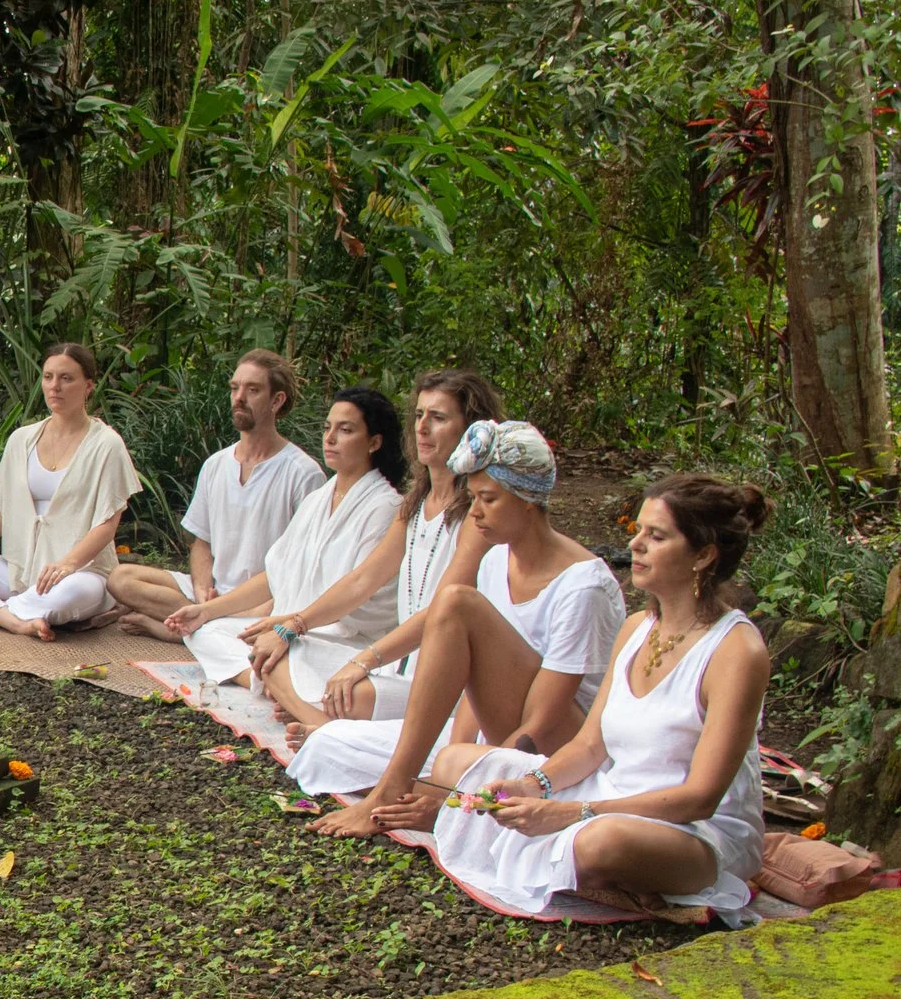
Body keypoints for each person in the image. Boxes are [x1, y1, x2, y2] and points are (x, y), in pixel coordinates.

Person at [427, 477, 771, 916]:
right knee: (456, 763)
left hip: (697, 831)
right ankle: (600, 877)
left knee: (601, 842)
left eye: (656, 536)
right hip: (615, 792)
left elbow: (699, 798)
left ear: (703, 555)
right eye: (639, 530)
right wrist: (532, 785)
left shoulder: (737, 652)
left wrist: (572, 812)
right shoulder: (636, 628)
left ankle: (599, 870)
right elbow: (591, 745)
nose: (637, 544)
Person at [294, 420, 628, 838]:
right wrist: (456, 754)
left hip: (552, 751)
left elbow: (540, 723)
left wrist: (452, 790)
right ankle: (420, 787)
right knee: (329, 745)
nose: (475, 513)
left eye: (488, 499)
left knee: (453, 602)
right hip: (496, 732)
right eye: (473, 498)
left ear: (527, 501)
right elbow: (477, 683)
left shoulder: (584, 585)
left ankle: (397, 791)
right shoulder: (494, 563)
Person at [239, 369, 497, 731]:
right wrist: (294, 624)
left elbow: (442, 609)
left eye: (437, 418)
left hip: (444, 675)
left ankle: (324, 729)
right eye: (419, 415)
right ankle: (325, 719)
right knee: (275, 655)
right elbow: (362, 580)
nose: (422, 428)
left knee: (346, 693)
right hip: (398, 665)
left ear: (469, 428)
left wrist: (364, 662)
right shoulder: (415, 504)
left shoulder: (476, 512)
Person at [170, 387, 406, 688]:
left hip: (338, 638)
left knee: (292, 653)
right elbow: (275, 575)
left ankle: (271, 681)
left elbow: (357, 592)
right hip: (290, 626)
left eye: (345, 430)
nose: (330, 438)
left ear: (374, 442)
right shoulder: (318, 499)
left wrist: (291, 624)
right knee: (207, 631)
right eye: (327, 427)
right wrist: (205, 610)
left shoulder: (386, 507)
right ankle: (270, 682)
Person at [0, 342, 142, 637]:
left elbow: (107, 525)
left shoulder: (106, 444)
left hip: (81, 574)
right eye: (48, 377)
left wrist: (67, 564)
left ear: (88, 386)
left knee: (65, 597)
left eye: (66, 378)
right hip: (19, 571)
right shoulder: (21, 440)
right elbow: (0, 513)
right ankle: (14, 620)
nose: (54, 386)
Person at [107, 349, 324, 639]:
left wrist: (222, 605)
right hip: (213, 589)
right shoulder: (216, 464)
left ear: (277, 400)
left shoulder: (303, 474)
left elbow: (301, 565)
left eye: (253, 389)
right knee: (121, 578)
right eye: (235, 388)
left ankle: (177, 629)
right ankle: (203, 625)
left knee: (264, 615)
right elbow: (201, 542)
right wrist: (200, 589)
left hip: (262, 600)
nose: (239, 397)